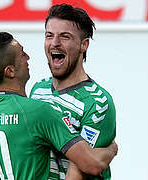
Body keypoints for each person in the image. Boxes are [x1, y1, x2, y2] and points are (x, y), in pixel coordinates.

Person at [0, 32, 117, 180]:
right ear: (10, 71)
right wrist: (111, 149)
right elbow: (91, 164)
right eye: (22, 54)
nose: (27, 57)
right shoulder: (37, 110)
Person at [29, 4, 117, 180]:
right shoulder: (38, 91)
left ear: (83, 45)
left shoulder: (97, 102)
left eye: (65, 36)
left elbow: (80, 170)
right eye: (49, 35)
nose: (54, 43)